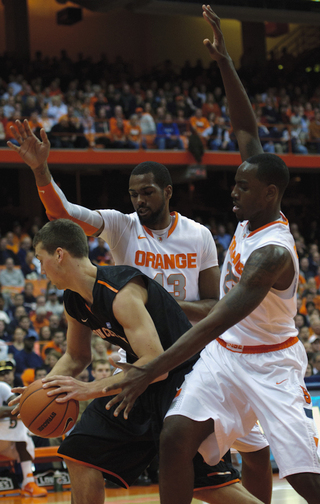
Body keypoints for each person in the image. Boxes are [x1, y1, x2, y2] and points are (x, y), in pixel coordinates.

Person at [8, 5, 272, 502]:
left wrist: (169, 312)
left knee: (240, 462)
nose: (138, 200)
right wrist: (42, 172)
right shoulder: (119, 229)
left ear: (168, 192)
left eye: (147, 192)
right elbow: (62, 214)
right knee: (84, 452)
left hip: (190, 362)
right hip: (139, 368)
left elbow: (214, 309)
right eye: (132, 193)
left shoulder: (195, 237)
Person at [105, 151, 320, 504]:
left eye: (242, 187)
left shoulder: (272, 253)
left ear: (269, 193)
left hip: (272, 363)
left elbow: (214, 320)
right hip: (226, 355)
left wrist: (149, 370)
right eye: (234, 184)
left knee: (303, 477)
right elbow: (247, 133)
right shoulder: (251, 218)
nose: (233, 193)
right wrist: (231, 90)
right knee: (174, 438)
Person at [11, 218, 263, 504]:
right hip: (139, 385)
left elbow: (155, 364)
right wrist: (44, 388)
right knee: (79, 452)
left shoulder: (121, 292)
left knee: (207, 487)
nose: (39, 268)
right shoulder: (74, 301)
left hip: (185, 382)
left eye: (40, 258)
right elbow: (76, 357)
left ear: (59, 254)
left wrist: (89, 389)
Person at [0, 368, 47, 497]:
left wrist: (5, 411)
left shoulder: (2, 386)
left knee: (20, 425)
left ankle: (28, 482)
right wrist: (8, 412)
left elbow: (19, 405)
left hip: (4, 442)